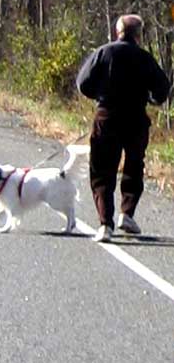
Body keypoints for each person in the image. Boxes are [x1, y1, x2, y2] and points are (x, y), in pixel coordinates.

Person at [76, 14, 170, 242]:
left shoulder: (104, 52)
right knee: (134, 166)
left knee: (102, 170)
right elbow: (163, 88)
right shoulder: (144, 58)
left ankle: (105, 224)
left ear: (117, 31)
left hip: (107, 116)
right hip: (135, 118)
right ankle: (126, 213)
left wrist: (99, 95)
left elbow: (83, 83)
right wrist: (152, 98)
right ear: (138, 34)